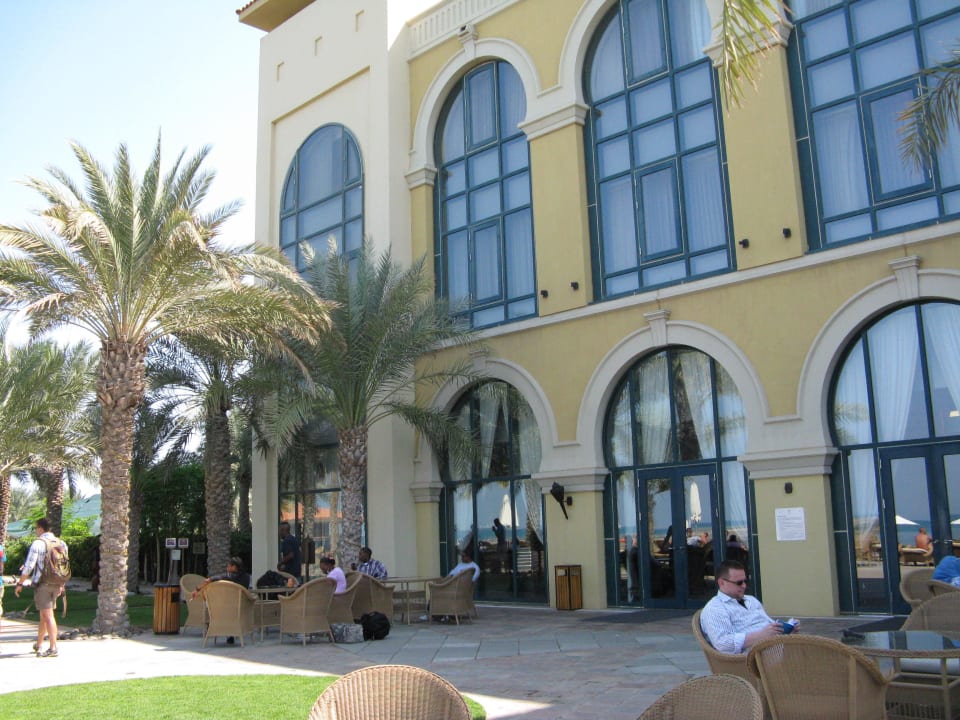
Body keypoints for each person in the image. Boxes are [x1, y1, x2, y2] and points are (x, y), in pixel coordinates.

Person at [699, 559, 795, 654]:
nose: (744, 586)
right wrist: (761, 635)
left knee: (805, 649)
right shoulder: (715, 608)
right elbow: (723, 643)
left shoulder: (751, 600)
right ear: (722, 583)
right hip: (751, 658)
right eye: (739, 583)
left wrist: (786, 628)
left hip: (774, 648)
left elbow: (766, 623)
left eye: (745, 581)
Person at [15, 518, 66, 658]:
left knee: (48, 616)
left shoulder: (38, 543)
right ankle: (38, 644)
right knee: (44, 614)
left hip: (43, 584)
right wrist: (62, 584)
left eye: (36, 528)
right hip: (56, 583)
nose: (36, 531)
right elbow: (64, 566)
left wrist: (20, 584)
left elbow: (29, 566)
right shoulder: (61, 543)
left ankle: (53, 647)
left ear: (41, 529)